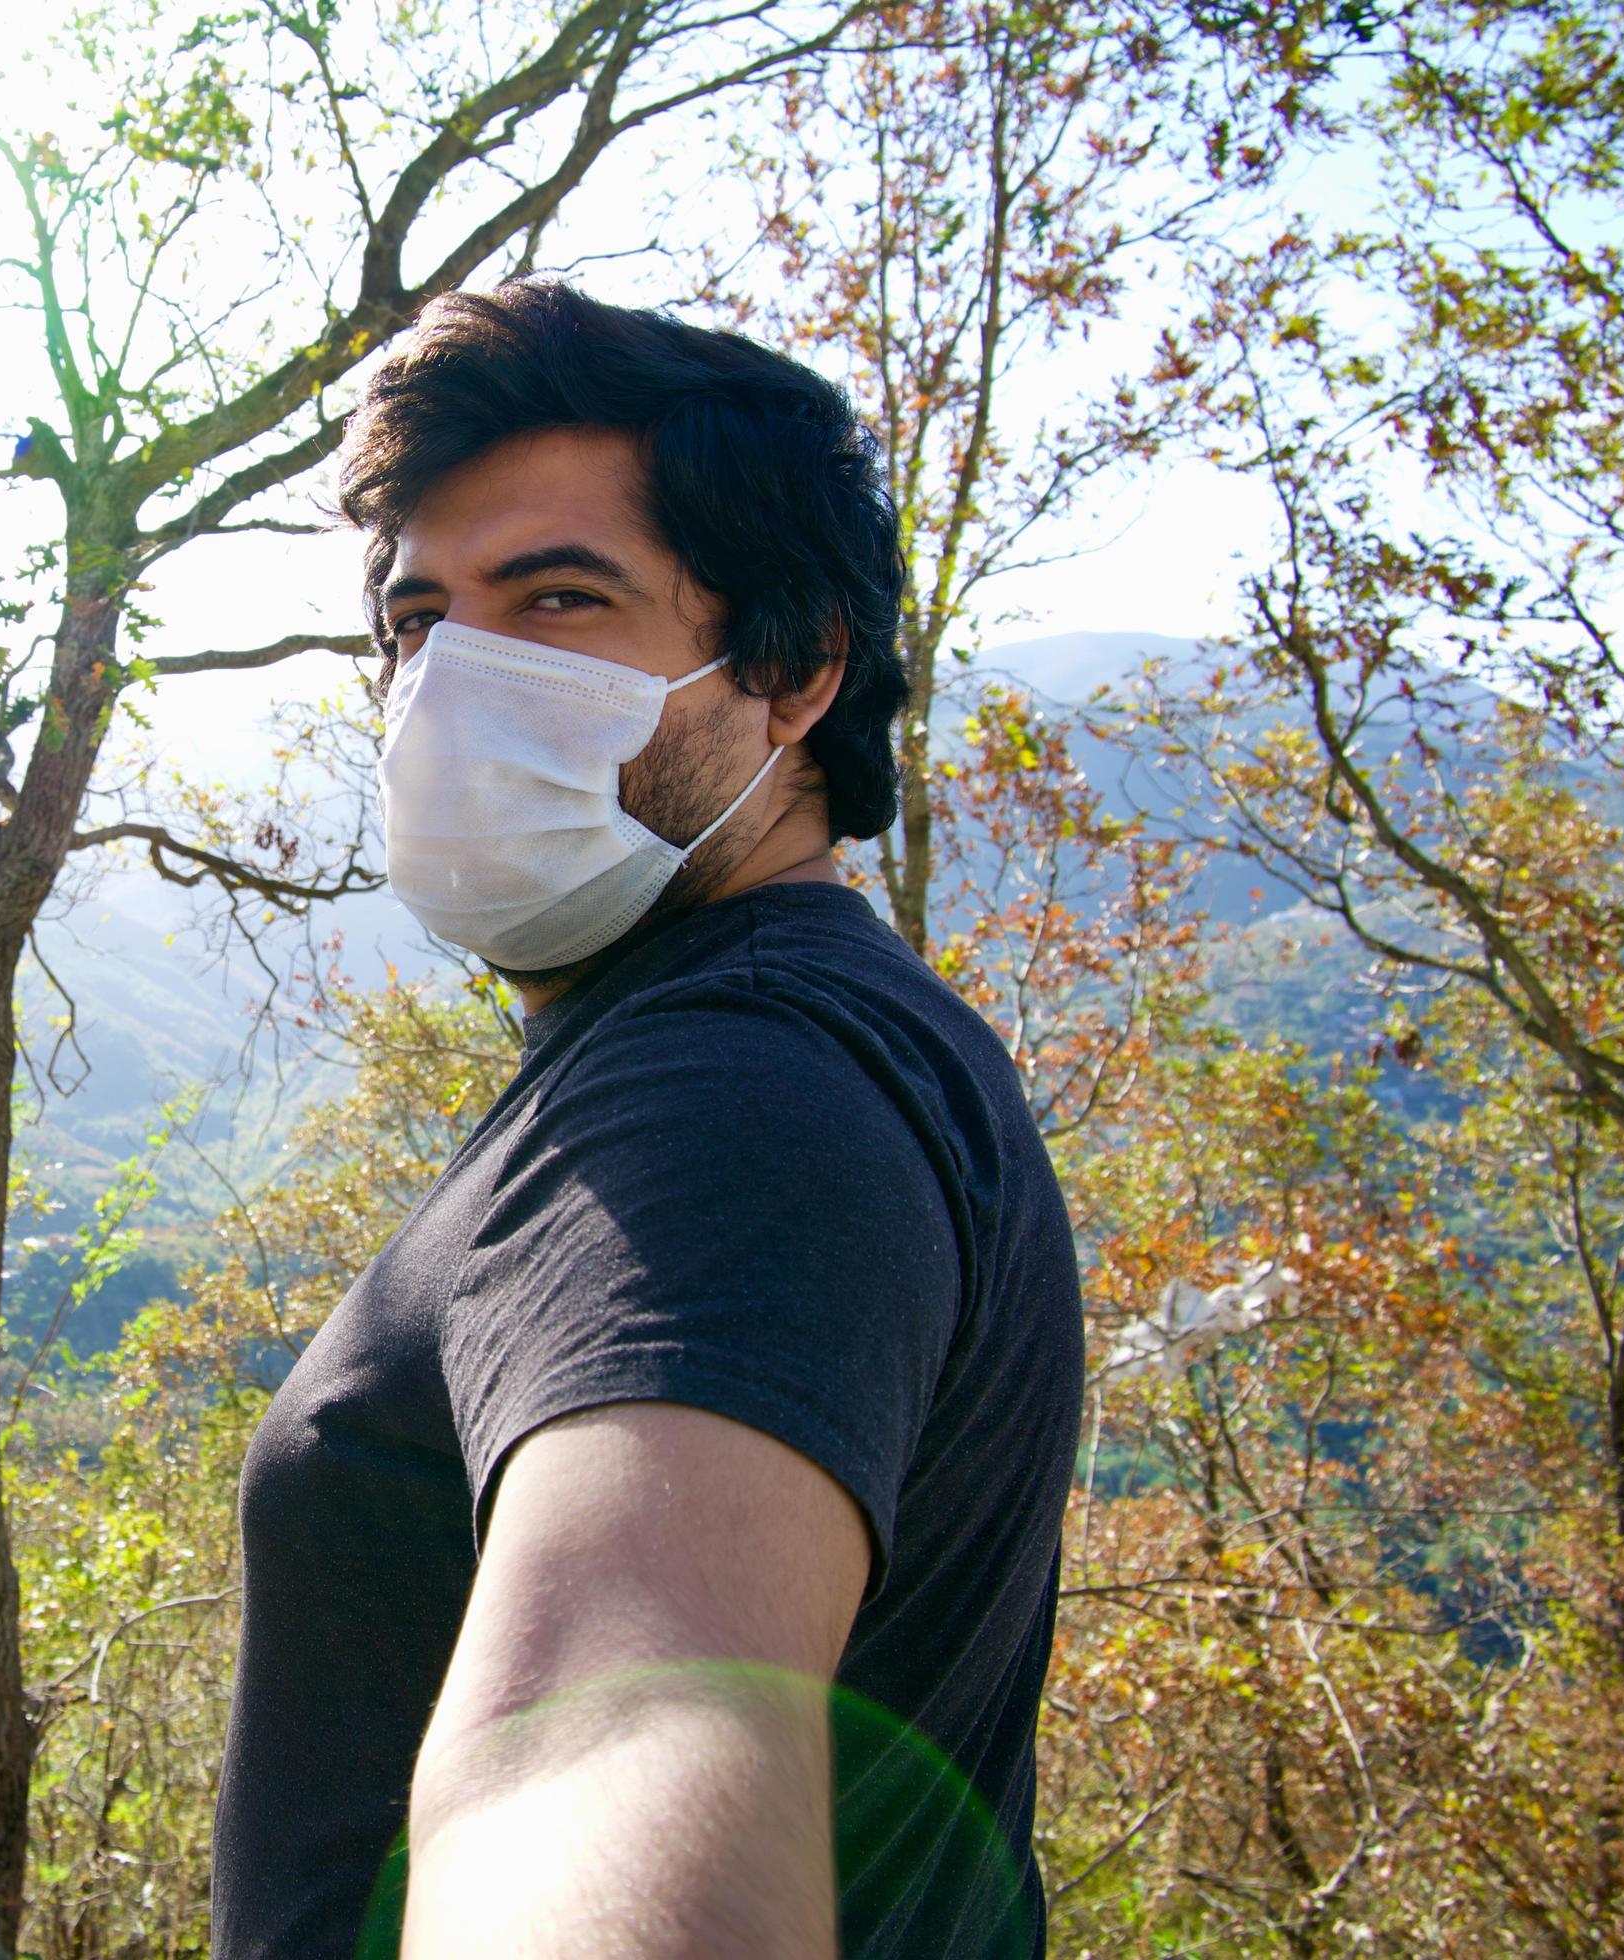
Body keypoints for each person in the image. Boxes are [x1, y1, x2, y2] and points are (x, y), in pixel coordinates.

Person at [210, 281, 1085, 1958]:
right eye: (419, 621)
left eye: (558, 597)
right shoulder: (739, 1037)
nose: (453, 683)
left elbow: (613, 1744)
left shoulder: (738, 1092)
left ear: (795, 670)